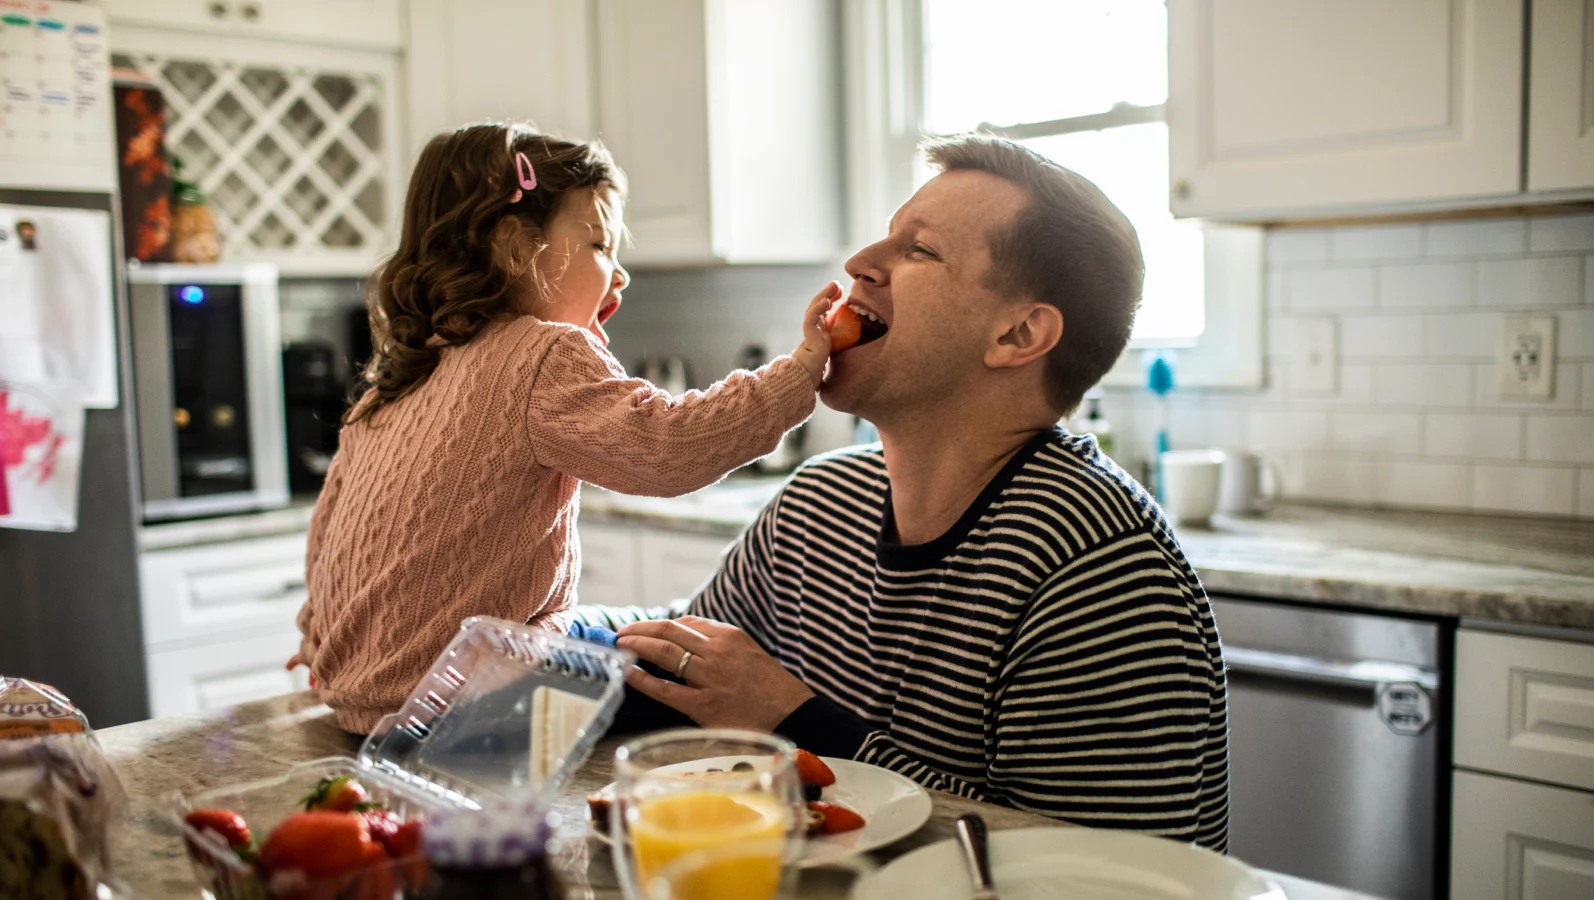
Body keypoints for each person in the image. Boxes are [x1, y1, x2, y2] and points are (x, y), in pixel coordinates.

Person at [575, 134, 1229, 851]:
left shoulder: (1100, 570)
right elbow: (692, 661)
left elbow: (1084, 867)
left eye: (918, 250)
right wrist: (526, 632)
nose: (858, 265)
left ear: (1018, 333)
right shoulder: (823, 501)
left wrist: (793, 718)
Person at [292, 123, 838, 733]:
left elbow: (328, 540)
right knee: (699, 676)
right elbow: (668, 447)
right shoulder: (541, 355)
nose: (620, 274)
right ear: (513, 246)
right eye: (600, 245)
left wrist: (323, 636)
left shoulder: (392, 385)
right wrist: (801, 372)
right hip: (482, 697)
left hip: (365, 704)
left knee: (622, 630)